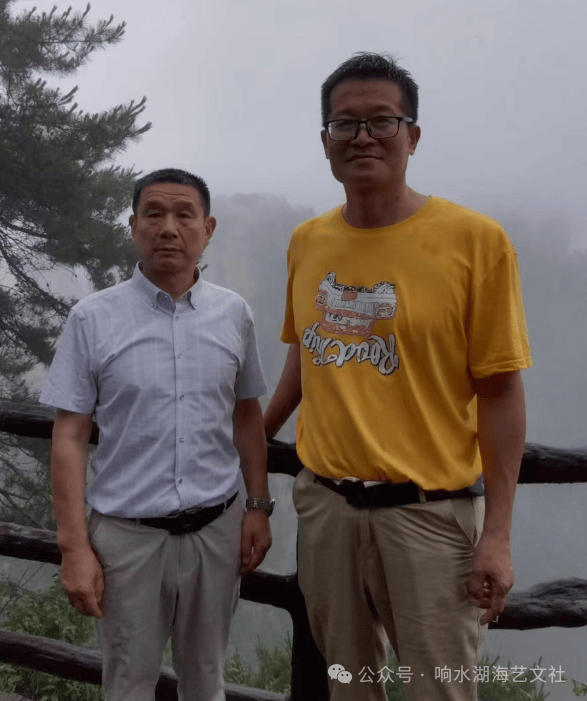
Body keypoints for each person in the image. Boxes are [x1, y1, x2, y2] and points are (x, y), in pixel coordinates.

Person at [263, 53, 531, 701]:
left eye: (382, 120)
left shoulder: (475, 241)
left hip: (430, 517)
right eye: (344, 123)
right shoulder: (307, 241)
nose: (362, 137)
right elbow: (306, 356)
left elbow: (500, 392)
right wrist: (249, 435)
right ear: (325, 140)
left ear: (413, 135)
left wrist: (497, 534)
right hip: (326, 511)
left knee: (439, 690)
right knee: (347, 685)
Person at [40, 168, 274, 701]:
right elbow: (70, 435)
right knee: (128, 683)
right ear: (133, 227)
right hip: (127, 538)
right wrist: (74, 547)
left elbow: (246, 415)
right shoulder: (92, 318)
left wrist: (258, 506)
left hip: (217, 531)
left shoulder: (233, 313)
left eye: (184, 215)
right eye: (154, 214)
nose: (169, 228)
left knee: (207, 680)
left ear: (207, 229)